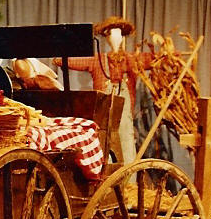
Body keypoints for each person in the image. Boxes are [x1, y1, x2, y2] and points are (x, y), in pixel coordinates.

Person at [53, 16, 154, 164]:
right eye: (111, 34)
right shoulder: (97, 60)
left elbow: (155, 59)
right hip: (103, 108)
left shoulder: (131, 60)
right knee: (103, 139)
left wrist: (171, 55)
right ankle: (104, 173)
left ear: (123, 37)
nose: (115, 38)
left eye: (118, 34)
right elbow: (70, 61)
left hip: (124, 110)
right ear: (106, 38)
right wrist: (59, 58)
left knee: (126, 138)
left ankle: (129, 176)